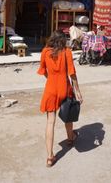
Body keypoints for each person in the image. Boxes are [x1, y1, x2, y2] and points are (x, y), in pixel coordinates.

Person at [38, 30, 83, 167]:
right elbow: (72, 74)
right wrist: (78, 91)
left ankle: (50, 157)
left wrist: (51, 79)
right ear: (63, 40)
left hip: (50, 89)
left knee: (50, 122)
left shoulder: (45, 51)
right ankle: (70, 139)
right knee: (68, 115)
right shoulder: (67, 52)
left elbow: (43, 71)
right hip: (65, 88)